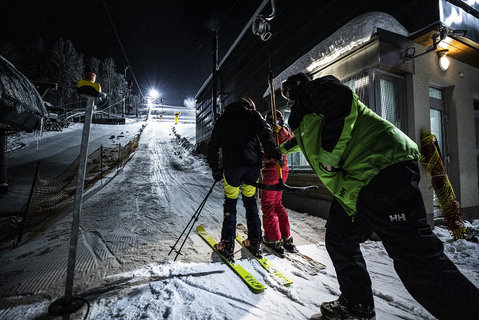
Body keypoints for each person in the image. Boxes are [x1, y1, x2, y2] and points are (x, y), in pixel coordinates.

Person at [279, 73, 479, 320]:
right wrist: (279, 150)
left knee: (415, 258)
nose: (288, 98)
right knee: (339, 238)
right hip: (357, 185)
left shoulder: (319, 89)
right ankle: (357, 305)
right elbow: (306, 139)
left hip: (382, 169)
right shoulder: (306, 112)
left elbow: (342, 103)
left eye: (288, 92)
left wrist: (329, 157)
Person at [207, 98, 283, 263]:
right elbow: (266, 132)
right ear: (249, 106)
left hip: (232, 168)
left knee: (230, 203)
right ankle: (254, 241)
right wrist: (275, 153)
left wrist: (215, 168)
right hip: (251, 167)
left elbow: (213, 145)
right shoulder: (253, 115)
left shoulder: (223, 119)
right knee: (250, 203)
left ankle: (227, 243)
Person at [261, 110, 297, 255]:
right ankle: (286, 236)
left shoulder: (269, 133)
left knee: (268, 205)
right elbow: (290, 140)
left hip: (272, 170)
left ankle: (273, 238)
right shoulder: (283, 132)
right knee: (277, 204)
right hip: (283, 169)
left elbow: (264, 152)